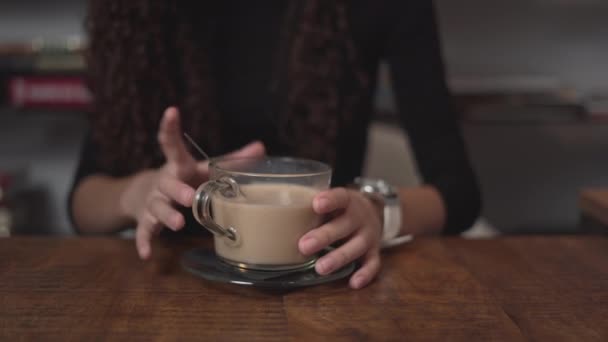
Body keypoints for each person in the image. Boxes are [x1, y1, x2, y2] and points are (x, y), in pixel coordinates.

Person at [69, 0, 481, 289]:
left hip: (323, 290)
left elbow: (458, 194)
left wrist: (374, 209)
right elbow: (83, 202)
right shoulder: (135, 12)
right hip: (167, 290)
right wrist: (136, 192)